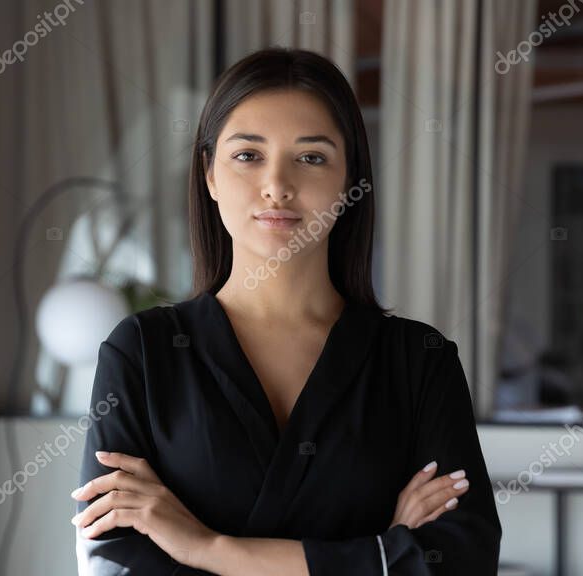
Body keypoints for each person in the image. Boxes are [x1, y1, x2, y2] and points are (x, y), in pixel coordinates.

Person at [70, 47, 501, 575]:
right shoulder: (142, 350)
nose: (277, 184)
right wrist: (383, 553)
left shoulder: (419, 360)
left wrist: (208, 548)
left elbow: (460, 559)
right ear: (209, 174)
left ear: (349, 183)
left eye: (312, 157)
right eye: (248, 155)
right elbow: (115, 558)